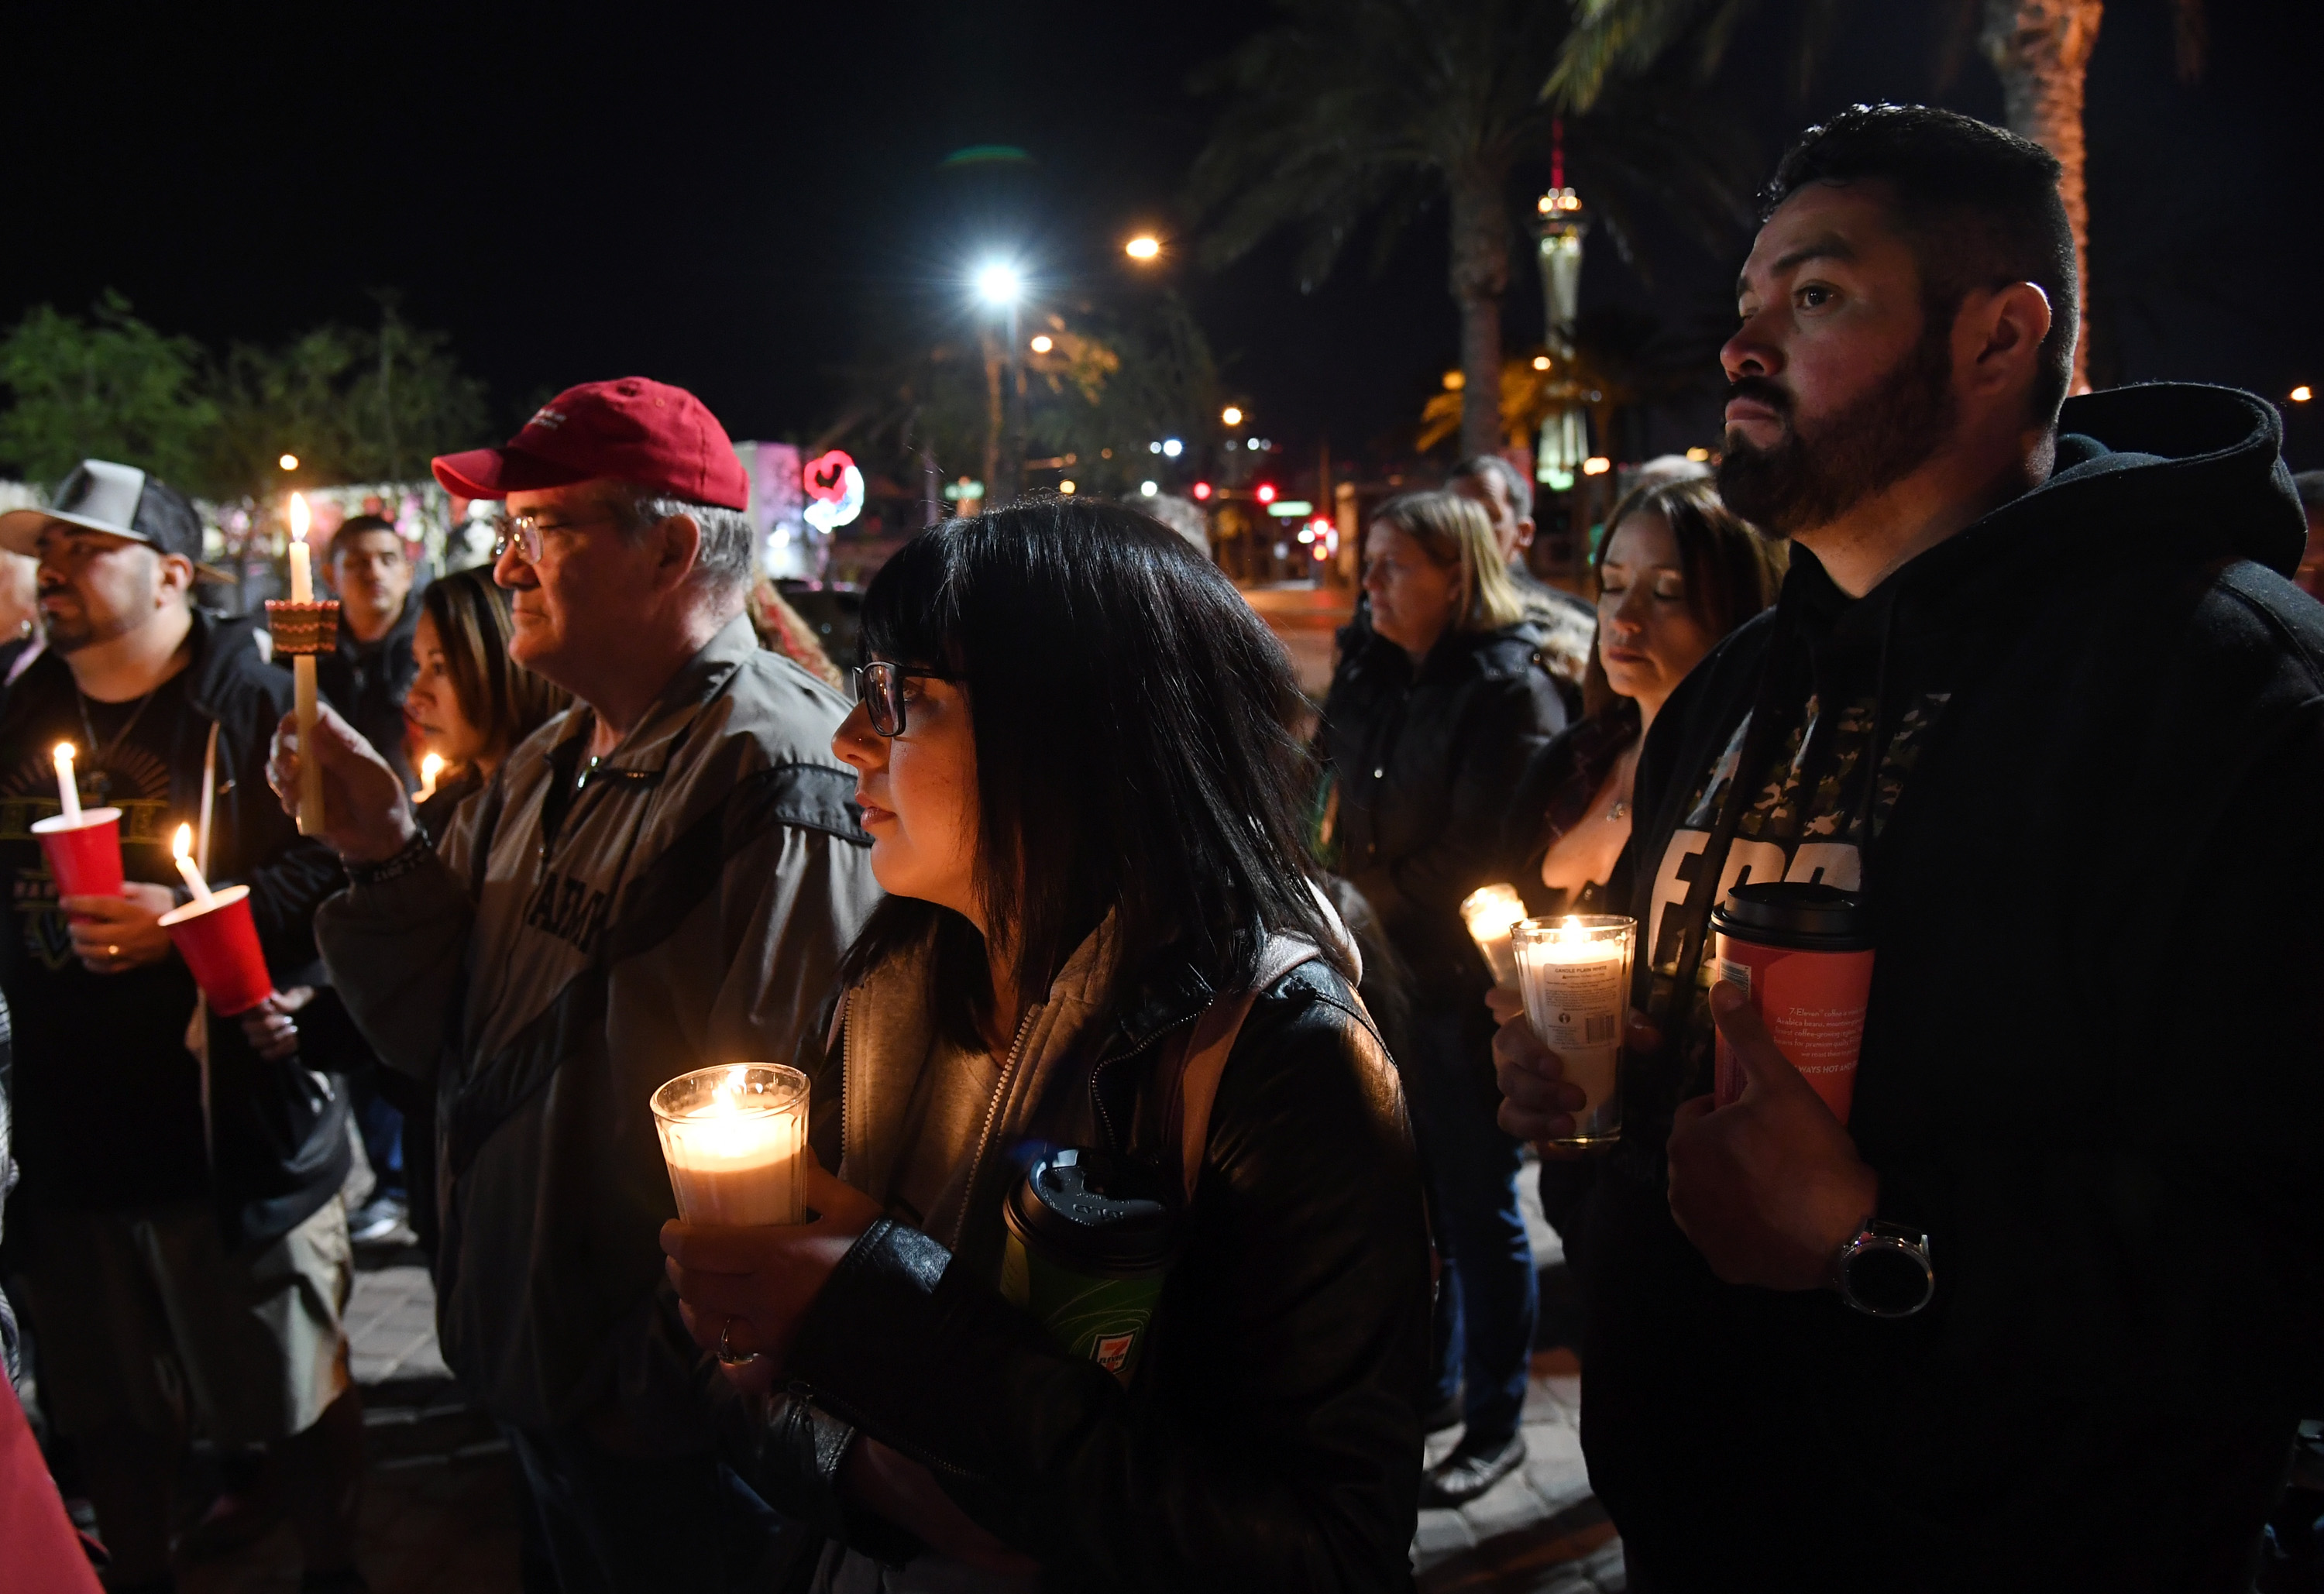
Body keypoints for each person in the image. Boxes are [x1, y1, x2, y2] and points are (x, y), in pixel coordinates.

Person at [1492, 104, 2324, 1587]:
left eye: (1814, 296)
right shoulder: (1738, 688)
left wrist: (1881, 1237)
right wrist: (1593, 1099)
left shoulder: (2221, 689)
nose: (1742, 345)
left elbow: (2273, 1252)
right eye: (1746, 302)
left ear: (2001, 337)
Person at [659, 500, 1430, 1589]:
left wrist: (899, 1321)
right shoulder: (887, 987)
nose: (848, 739)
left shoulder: (1277, 1055)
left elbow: (1331, 1543)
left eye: (905, 697)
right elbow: (736, 1379)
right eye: (864, 688)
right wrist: (866, 1469)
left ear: (1072, 731)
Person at [273, 377, 882, 1594]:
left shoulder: (781, 771)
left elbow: (799, 1128)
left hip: (653, 1417)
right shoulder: (557, 752)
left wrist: (652, 1390)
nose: (503, 569)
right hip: (540, 1373)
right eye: (504, 536)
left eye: (539, 531)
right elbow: (436, 1031)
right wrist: (379, 850)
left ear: (668, 547)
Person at [0, 461, 363, 1593]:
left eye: (83, 550)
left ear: (170, 572)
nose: (52, 570)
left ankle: (334, 1569)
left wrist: (199, 918)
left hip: (227, 1128)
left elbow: (343, 858)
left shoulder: (255, 696)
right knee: (106, 1403)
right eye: (45, 551)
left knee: (288, 1387)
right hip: (67, 1128)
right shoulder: (20, 703)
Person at [1321, 488, 1566, 1505]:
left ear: (1457, 574)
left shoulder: (1511, 691)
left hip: (1462, 995)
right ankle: (1441, 1380)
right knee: (1414, 1200)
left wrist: (1344, 901)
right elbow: (1333, 797)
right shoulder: (1375, 672)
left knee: (1477, 1206)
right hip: (1380, 978)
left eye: (1392, 566)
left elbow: (1480, 852)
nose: (1367, 584)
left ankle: (1499, 1420)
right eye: (1366, 563)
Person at [1500, 476, 1783, 922]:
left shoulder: (1755, 793)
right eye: (1612, 586)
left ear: (1741, 609)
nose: (1624, 619)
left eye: (1666, 592)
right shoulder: (1572, 762)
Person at [403, 567, 572, 838]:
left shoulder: (554, 819)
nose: (415, 696)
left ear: (502, 667)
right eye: (417, 666)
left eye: (440, 668)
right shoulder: (446, 815)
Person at [1451, 452, 1597, 710]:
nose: (1466, 532)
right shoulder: (1420, 622)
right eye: (1453, 518)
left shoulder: (1566, 627)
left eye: (1485, 517)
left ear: (1523, 533)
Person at [316, 512, 419, 787]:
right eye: (357, 563)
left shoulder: (434, 652)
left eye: (388, 560)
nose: (374, 573)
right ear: (330, 576)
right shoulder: (309, 655)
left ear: (409, 573)